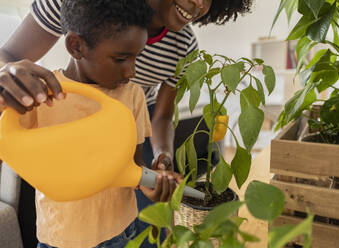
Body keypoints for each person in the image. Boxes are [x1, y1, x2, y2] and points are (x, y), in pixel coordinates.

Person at [0, 0, 254, 247]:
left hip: (123, 204)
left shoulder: (140, 89)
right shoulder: (46, 100)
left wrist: (160, 161)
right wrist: (7, 80)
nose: (200, 3)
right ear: (76, 46)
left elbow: (155, 129)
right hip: (61, 235)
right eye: (122, 59)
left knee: (149, 223)